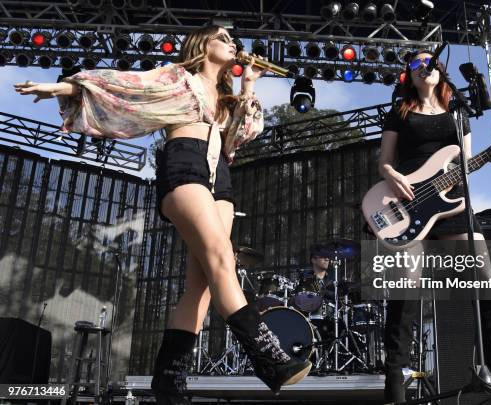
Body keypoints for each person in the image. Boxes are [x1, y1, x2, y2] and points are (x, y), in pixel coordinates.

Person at [14, 25, 311, 404]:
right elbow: (127, 86)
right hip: (184, 163)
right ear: (203, 45)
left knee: (202, 285)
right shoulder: (178, 78)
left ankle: (169, 380)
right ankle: (266, 353)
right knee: (222, 259)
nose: (233, 45)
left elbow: (240, 137)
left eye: (234, 41)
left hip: (219, 175)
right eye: (224, 38)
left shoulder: (224, 97)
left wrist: (248, 86)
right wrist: (64, 87)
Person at [378, 49, 491, 404]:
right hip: (408, 205)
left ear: (441, 71)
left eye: (431, 62)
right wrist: (393, 176)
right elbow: (385, 162)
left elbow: (465, 162)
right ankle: (394, 391)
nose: (427, 66)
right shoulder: (400, 112)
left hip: (452, 205)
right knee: (407, 292)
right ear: (409, 74)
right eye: (418, 63)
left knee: (487, 281)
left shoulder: (458, 113)